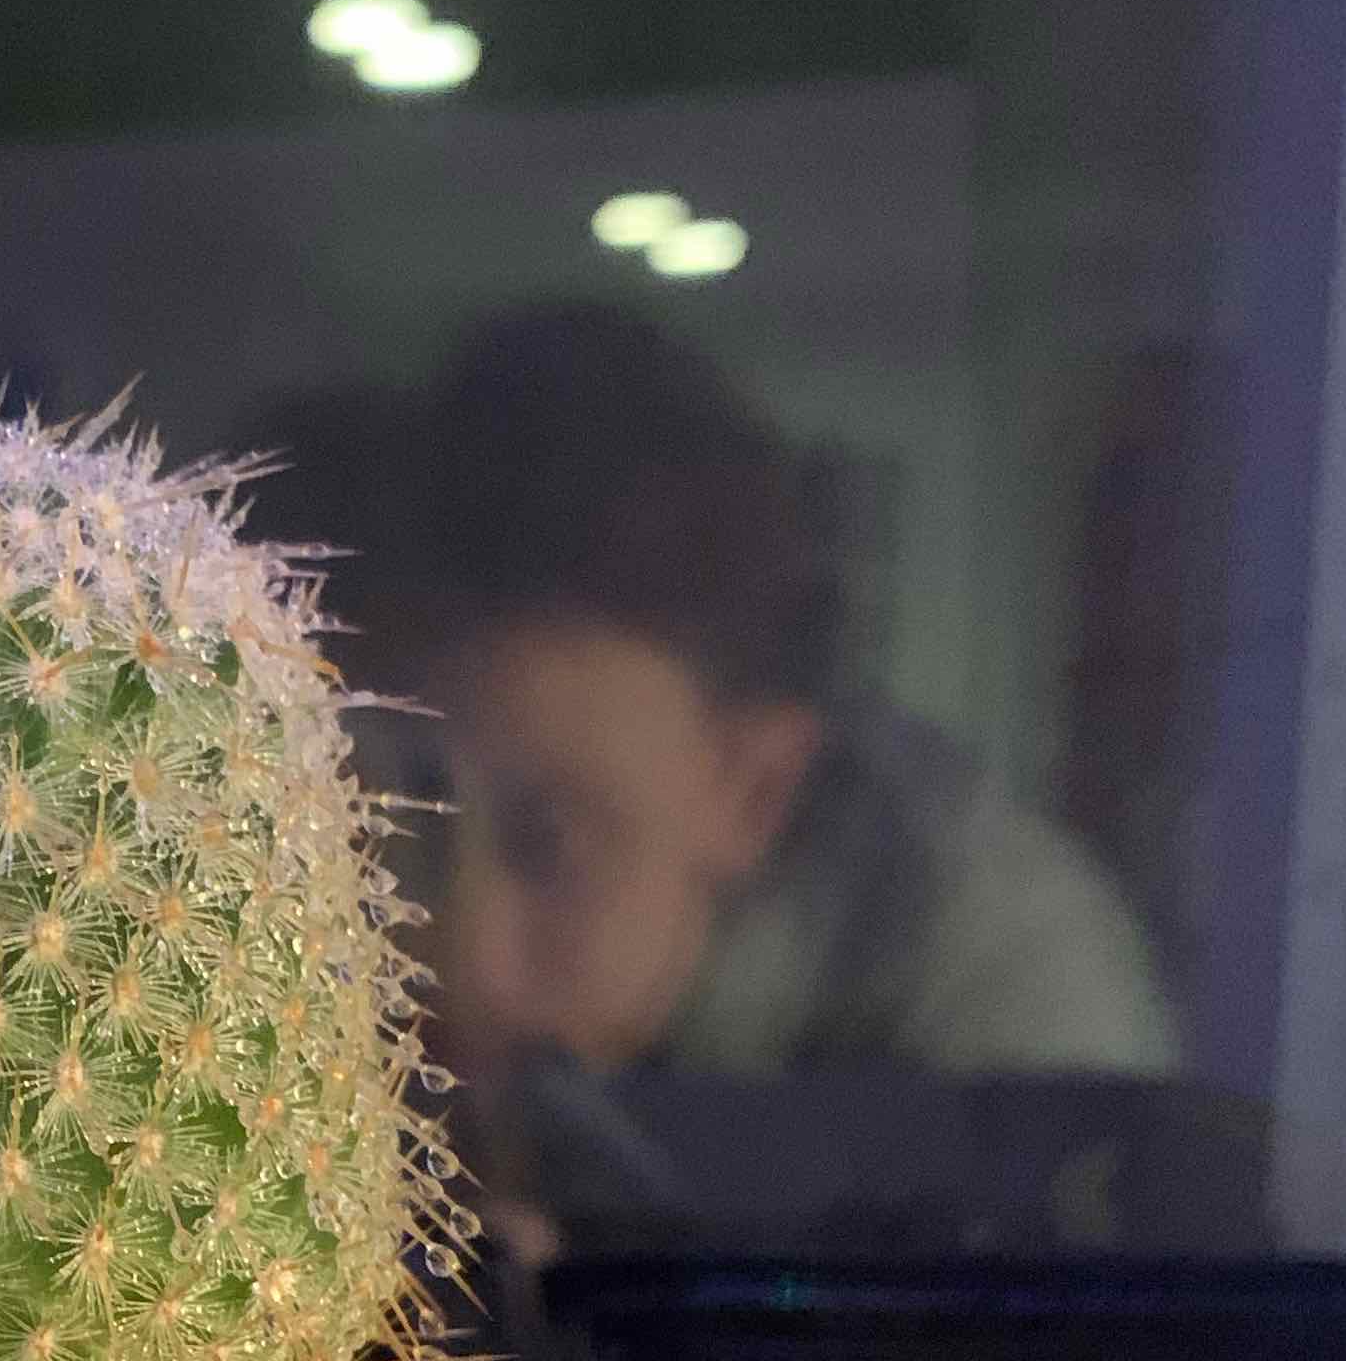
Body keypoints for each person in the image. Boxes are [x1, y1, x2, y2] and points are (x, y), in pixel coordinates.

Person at [270, 310, 1176, 1145]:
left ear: (756, 790)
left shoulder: (1007, 1008)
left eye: (548, 845)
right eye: (404, 836)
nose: (456, 956)